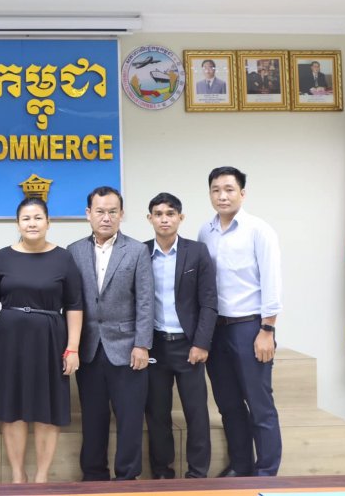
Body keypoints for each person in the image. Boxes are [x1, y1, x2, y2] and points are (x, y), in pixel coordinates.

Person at [0, 197, 83, 484]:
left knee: (47, 408)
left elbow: (74, 305)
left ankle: (41, 478)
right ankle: (18, 476)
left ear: (48, 222)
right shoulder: (3, 257)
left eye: (38, 218)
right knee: (11, 408)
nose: (32, 223)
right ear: (17, 224)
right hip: (10, 339)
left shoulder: (63, 258)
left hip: (50, 339)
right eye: (26, 218)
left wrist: (73, 347)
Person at [198, 166, 282, 477]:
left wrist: (267, 329)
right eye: (216, 190)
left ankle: (266, 474)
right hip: (215, 330)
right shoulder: (205, 231)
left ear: (242, 194)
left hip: (250, 328)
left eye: (229, 189)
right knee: (229, 405)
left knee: (260, 406)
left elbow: (272, 282)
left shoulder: (259, 230)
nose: (222, 195)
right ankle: (241, 467)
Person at [67, 185, 153, 481]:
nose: (106, 217)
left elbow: (145, 301)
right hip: (89, 348)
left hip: (128, 348)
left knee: (130, 418)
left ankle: (127, 478)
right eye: (100, 211)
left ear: (122, 214)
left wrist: (142, 344)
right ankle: (94, 476)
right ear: (88, 214)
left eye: (112, 212)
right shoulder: (74, 251)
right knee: (93, 417)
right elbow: (72, 303)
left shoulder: (138, 250)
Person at [143, 192, 217, 479]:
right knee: (157, 414)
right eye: (158, 214)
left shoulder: (197, 252)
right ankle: (163, 473)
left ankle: (198, 474)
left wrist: (201, 343)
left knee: (196, 413)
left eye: (170, 213)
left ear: (180, 218)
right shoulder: (140, 252)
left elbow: (208, 302)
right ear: (150, 218)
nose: (164, 219)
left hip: (188, 346)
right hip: (155, 346)